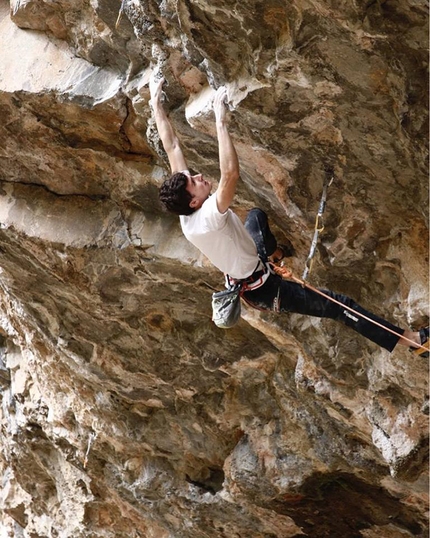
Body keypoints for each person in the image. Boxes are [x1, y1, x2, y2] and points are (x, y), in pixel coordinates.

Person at [149, 73, 429, 357]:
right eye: (195, 182)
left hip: (251, 266)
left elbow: (172, 146)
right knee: (340, 306)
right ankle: (416, 342)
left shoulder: (185, 208)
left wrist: (155, 104)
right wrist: (221, 122)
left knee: (256, 217)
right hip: (266, 289)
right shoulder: (207, 217)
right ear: (195, 202)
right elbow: (230, 175)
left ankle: (274, 254)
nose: (197, 176)